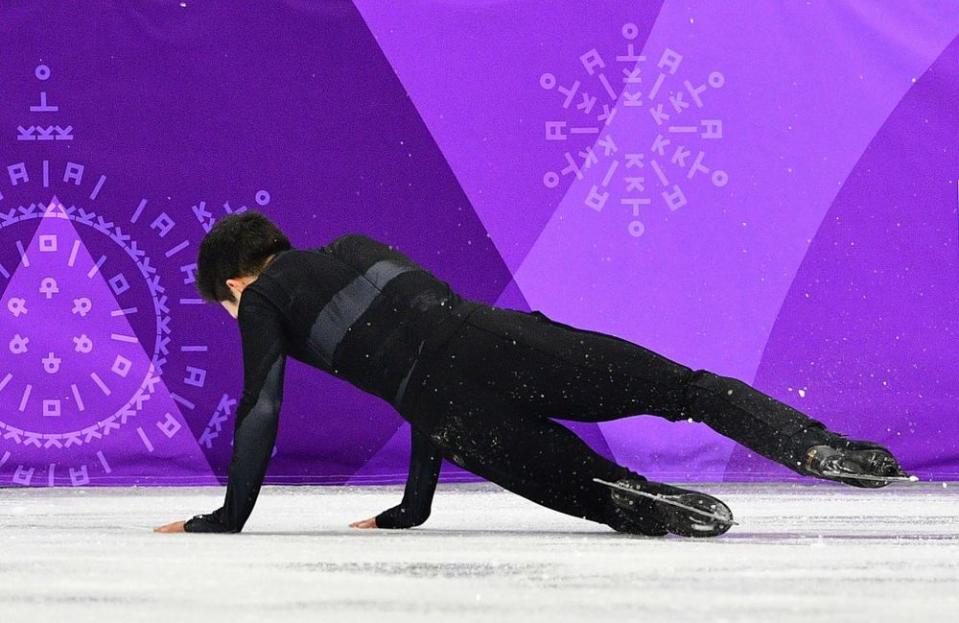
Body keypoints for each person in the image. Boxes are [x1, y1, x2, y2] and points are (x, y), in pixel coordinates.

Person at [154, 211, 908, 538]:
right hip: (498, 338)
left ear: (236, 284)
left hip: (452, 408)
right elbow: (421, 330)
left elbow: (261, 407)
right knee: (684, 387)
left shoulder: (262, 303)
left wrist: (227, 516)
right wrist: (412, 506)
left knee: (595, 489)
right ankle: (814, 447)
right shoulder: (355, 246)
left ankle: (651, 508)